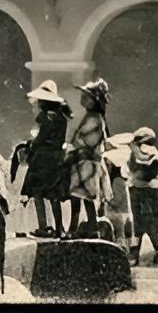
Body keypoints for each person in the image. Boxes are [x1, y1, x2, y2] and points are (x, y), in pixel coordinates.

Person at [18, 80, 71, 238]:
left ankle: (44, 226)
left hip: (42, 158)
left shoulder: (45, 117)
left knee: (37, 192)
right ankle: (60, 228)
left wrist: (30, 145)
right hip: (56, 158)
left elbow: (41, 138)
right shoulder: (62, 116)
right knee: (54, 194)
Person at [65, 78, 111, 231]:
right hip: (82, 162)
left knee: (85, 197)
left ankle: (90, 227)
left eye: (86, 96)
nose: (82, 99)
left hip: (88, 163)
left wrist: (76, 146)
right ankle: (76, 227)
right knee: (78, 196)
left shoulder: (95, 119)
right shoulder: (90, 117)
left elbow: (91, 142)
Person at [127, 127, 158, 266]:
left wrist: (146, 180)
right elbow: (130, 170)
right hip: (137, 192)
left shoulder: (155, 159)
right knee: (138, 224)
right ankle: (135, 254)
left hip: (149, 194)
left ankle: (156, 252)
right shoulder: (134, 156)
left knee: (150, 224)